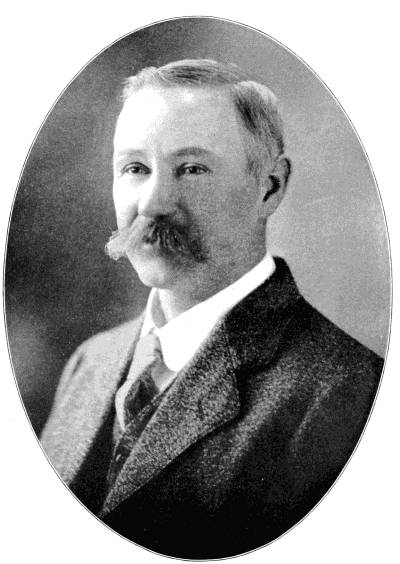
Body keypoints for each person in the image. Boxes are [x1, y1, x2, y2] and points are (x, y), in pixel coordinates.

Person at [40, 59, 382, 558]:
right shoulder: (88, 362)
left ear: (270, 188)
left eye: (192, 169)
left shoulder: (350, 394)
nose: (153, 203)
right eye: (135, 169)